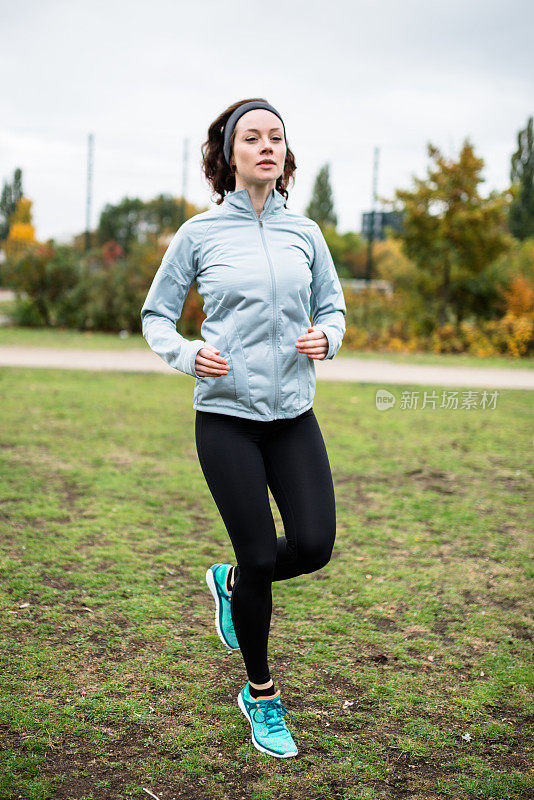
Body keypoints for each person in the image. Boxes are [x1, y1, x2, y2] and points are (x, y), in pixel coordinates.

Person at [140, 98, 346, 758]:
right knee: (260, 553)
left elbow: (334, 309)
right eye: (252, 137)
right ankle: (261, 696)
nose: (267, 146)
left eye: (276, 137)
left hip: (293, 418)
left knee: (313, 546)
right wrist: (184, 353)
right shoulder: (198, 235)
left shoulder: (306, 233)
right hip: (225, 417)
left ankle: (230, 584)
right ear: (228, 154)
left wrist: (327, 337)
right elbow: (156, 318)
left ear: (286, 154)